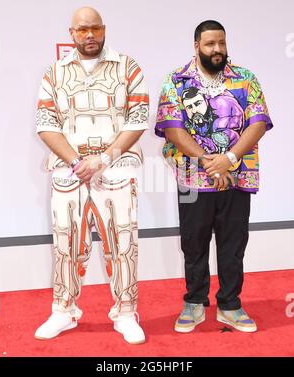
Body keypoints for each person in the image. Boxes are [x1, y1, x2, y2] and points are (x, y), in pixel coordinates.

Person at [35, 7, 149, 344]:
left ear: (104, 29)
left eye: (95, 28)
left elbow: (138, 119)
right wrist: (76, 162)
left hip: (117, 167)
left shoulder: (128, 67)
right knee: (65, 243)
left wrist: (102, 159)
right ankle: (63, 311)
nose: (89, 35)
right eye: (82, 30)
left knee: (123, 242)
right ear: (70, 33)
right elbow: (45, 125)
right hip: (67, 172)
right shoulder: (54, 72)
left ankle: (126, 312)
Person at [155, 20, 273, 333]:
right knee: (193, 243)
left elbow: (258, 123)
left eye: (221, 43)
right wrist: (211, 163)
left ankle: (230, 305)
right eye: (210, 44)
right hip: (193, 179)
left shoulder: (245, 79)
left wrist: (230, 159)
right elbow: (173, 129)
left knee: (233, 244)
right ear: (197, 46)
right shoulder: (176, 81)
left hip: (238, 176)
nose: (217, 49)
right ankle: (194, 303)